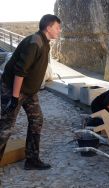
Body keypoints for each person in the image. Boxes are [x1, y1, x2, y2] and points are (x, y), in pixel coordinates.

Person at [0, 14, 61, 170]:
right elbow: (20, 71)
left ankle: (32, 160)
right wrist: (14, 98)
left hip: (29, 92)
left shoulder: (45, 42)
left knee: (36, 121)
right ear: (48, 28)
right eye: (57, 27)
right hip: (13, 90)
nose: (59, 30)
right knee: (6, 128)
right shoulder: (35, 42)